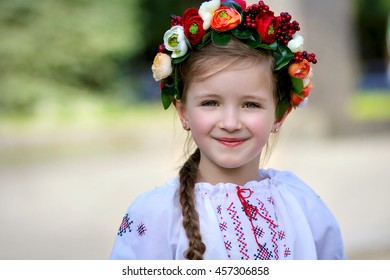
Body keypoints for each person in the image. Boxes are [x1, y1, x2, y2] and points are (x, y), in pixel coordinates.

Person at [110, 0, 346, 260]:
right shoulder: (155, 214)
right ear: (183, 112)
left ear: (279, 115)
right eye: (210, 103)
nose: (230, 123)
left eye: (250, 104)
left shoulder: (303, 204)